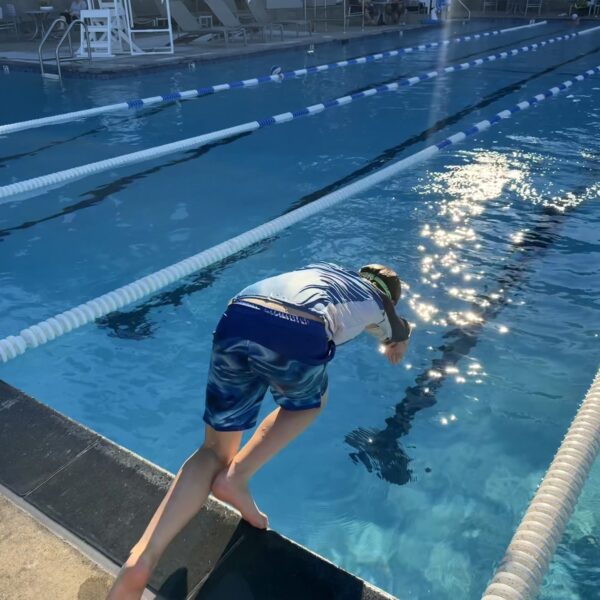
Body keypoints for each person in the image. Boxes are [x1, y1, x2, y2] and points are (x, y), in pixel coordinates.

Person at [106, 262, 411, 600]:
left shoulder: (329, 272)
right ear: (390, 298)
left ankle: (141, 558)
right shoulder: (380, 303)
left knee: (213, 450)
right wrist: (398, 340)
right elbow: (396, 332)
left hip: (239, 313)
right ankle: (236, 477)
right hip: (298, 327)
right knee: (311, 402)